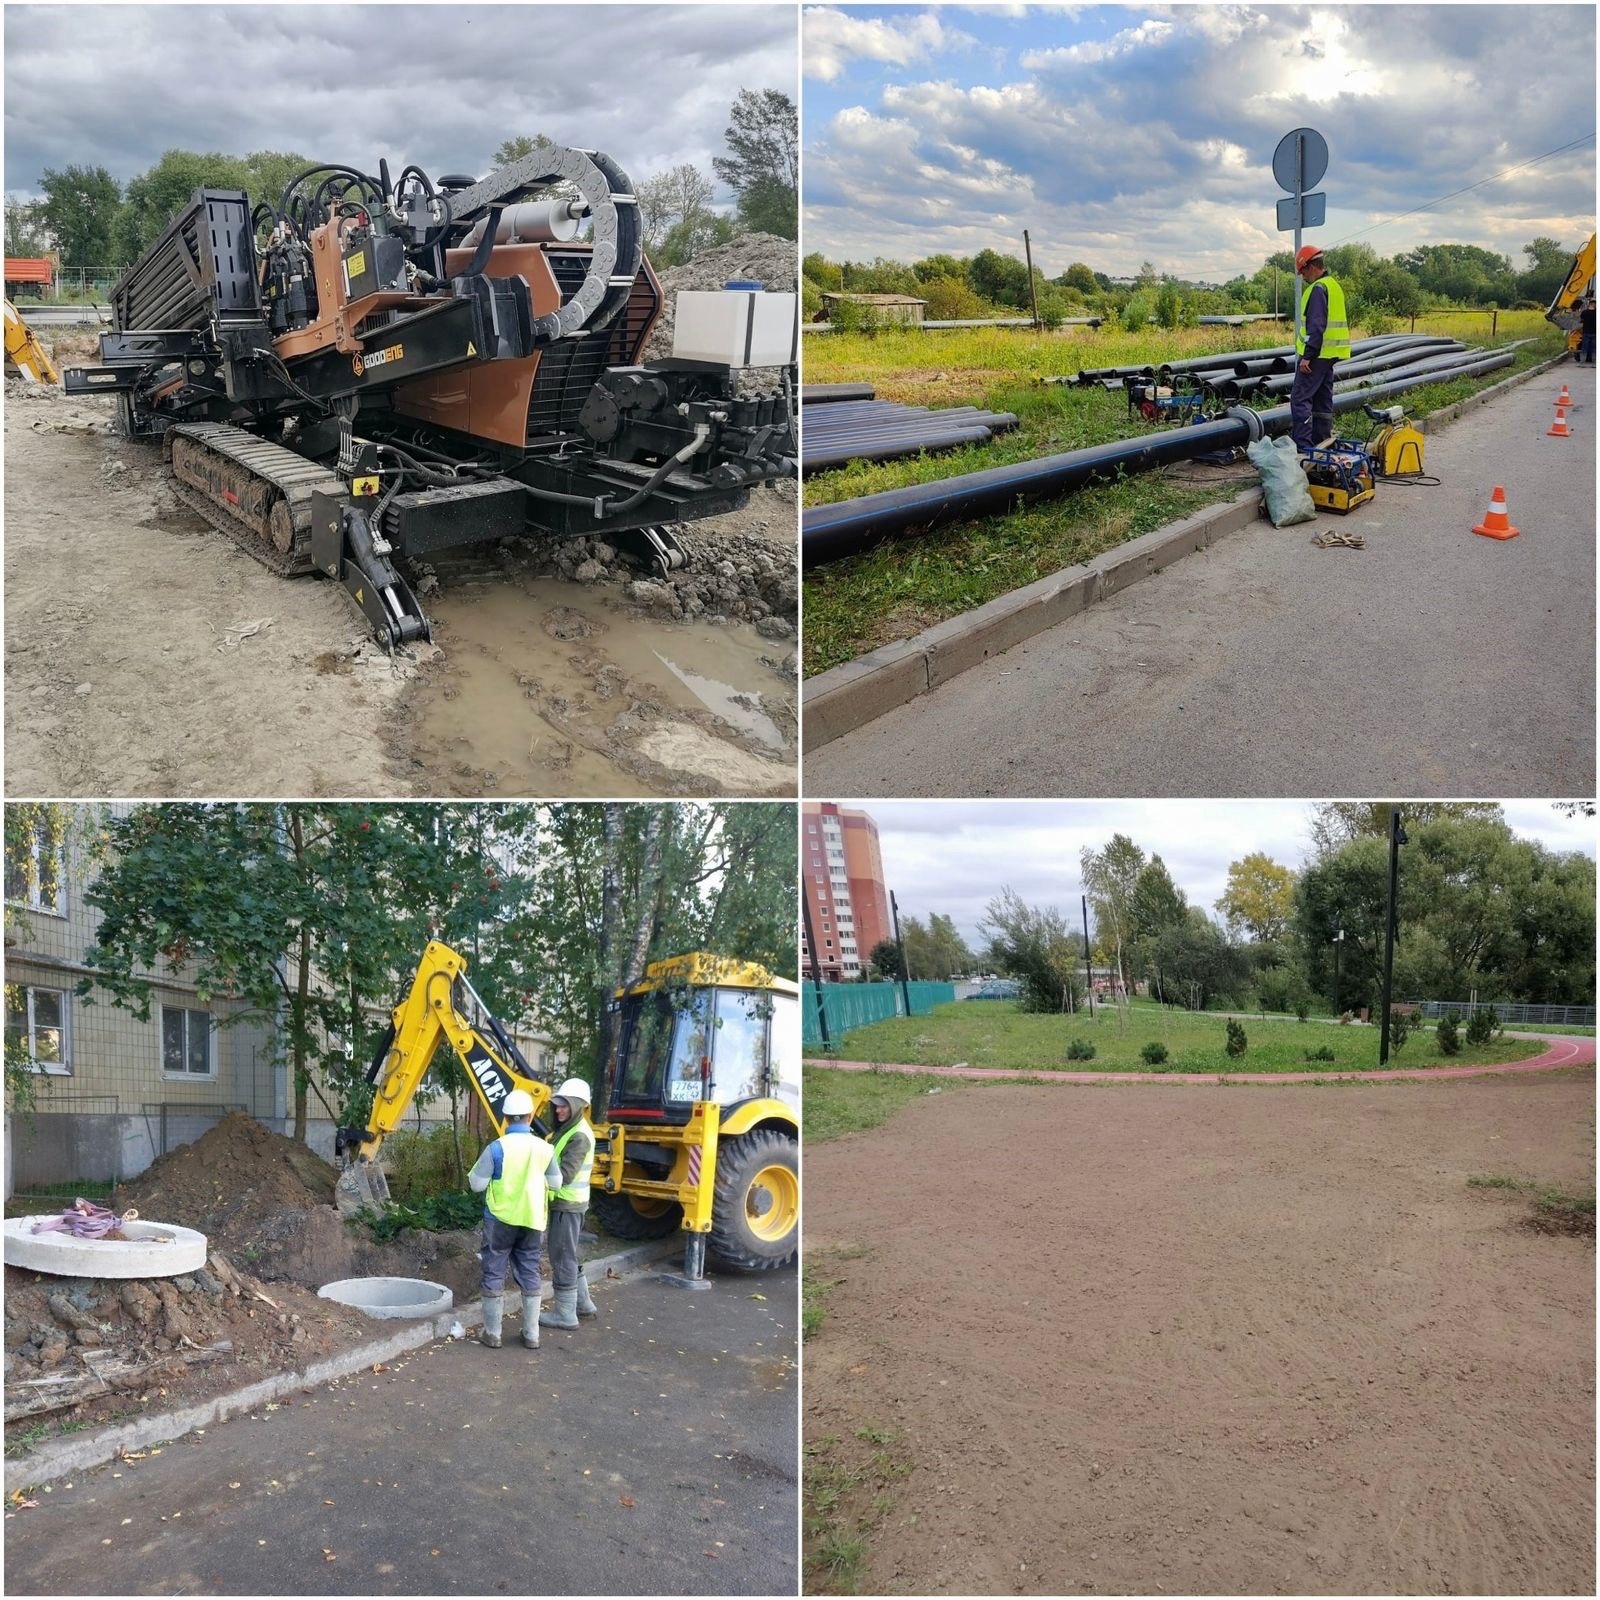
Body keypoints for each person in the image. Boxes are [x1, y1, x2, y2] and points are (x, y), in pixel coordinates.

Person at [466, 1088, 560, 1349]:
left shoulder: (496, 1148)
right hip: (532, 1219)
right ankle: (531, 1334)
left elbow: (476, 1184)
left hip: (500, 1218)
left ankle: (493, 1333)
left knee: (494, 1269)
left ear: (506, 1118)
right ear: (530, 1116)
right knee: (530, 1270)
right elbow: (556, 1183)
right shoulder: (544, 1149)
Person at [540, 1077, 599, 1330]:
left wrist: (536, 1176)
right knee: (569, 1254)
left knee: (562, 1256)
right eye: (557, 1105)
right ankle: (583, 1305)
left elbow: (564, 1175)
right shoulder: (569, 1131)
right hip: (567, 1205)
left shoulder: (579, 1136)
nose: (559, 1109)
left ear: (577, 1105)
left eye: (564, 1105)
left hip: (568, 1204)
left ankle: (565, 1314)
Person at [1289, 245, 1350, 452]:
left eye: (1303, 271)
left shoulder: (1317, 288)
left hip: (1316, 355)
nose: (1303, 276)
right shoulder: (1333, 285)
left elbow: (1316, 325)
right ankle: (1323, 443)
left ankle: (1304, 449)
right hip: (1330, 354)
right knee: (1323, 399)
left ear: (1310, 266)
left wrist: (1307, 356)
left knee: (1300, 399)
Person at [1577, 293, 1595, 365]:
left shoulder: (1584, 312)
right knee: (1594, 348)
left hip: (1586, 332)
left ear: (1589, 304)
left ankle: (1582, 363)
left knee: (1584, 348)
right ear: (1594, 305)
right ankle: (1594, 364)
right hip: (1595, 333)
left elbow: (1580, 321)